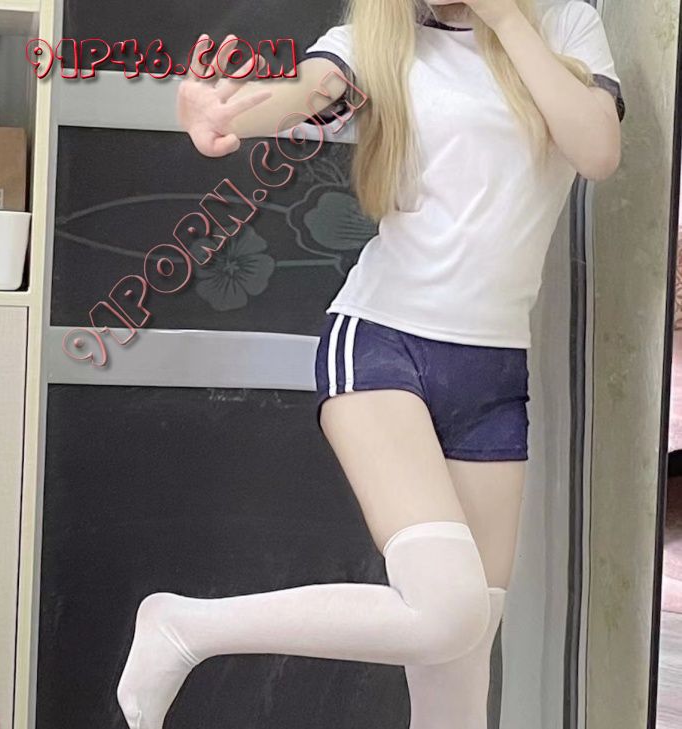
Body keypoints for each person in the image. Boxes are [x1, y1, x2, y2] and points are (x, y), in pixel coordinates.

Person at [116, 1, 625, 727]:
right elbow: (307, 90)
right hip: (384, 344)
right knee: (448, 613)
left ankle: (184, 627)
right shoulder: (379, 39)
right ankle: (184, 627)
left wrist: (508, 20)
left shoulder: (563, 22)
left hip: (494, 375)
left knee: (460, 675)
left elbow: (598, 151)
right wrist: (228, 112)